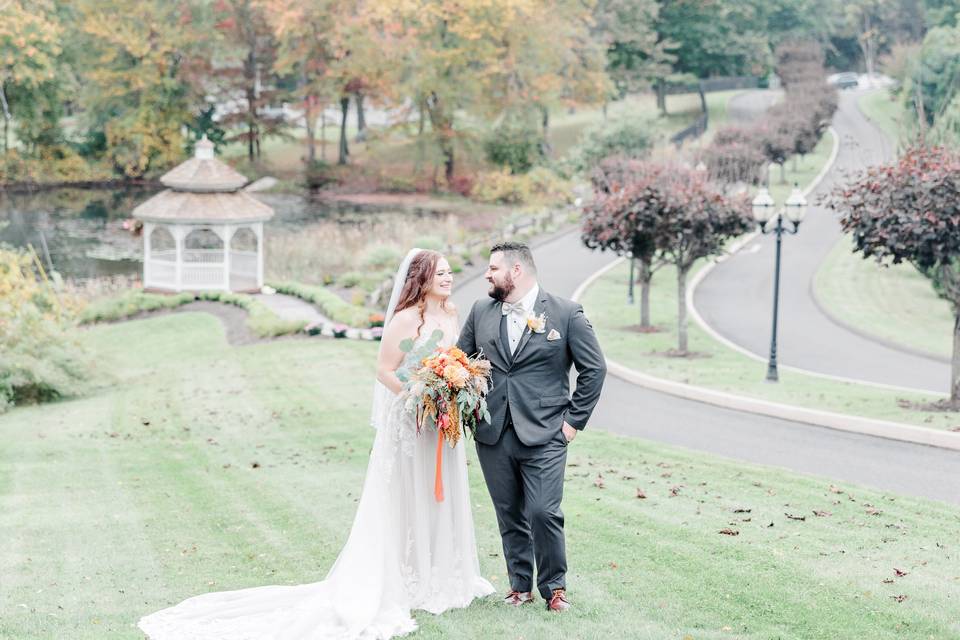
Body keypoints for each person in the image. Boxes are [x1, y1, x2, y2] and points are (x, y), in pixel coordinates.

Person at [138, 248, 494, 639]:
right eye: (440, 273)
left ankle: (442, 575)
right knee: (408, 495)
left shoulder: (452, 313)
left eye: (448, 272)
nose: (447, 278)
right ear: (421, 278)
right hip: (410, 421)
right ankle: (409, 577)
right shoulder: (406, 319)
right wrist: (416, 397)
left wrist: (453, 391)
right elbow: (384, 370)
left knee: (438, 494)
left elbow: (457, 360)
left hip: (440, 423)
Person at [457, 241, 606, 612]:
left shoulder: (566, 313)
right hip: (493, 432)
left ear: (516, 270)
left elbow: (594, 369)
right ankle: (519, 587)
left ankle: (555, 588)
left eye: (493, 268)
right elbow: (460, 362)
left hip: (546, 433)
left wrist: (573, 423)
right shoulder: (480, 311)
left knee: (543, 511)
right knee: (509, 513)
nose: (487, 275)